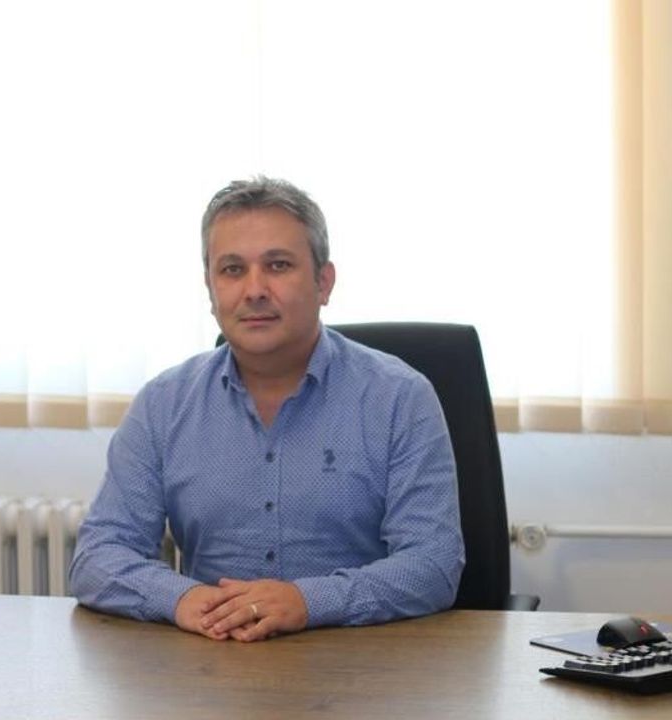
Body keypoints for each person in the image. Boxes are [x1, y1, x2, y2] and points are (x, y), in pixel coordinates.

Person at [69, 176, 464, 642]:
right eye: (232, 270)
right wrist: (182, 598)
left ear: (323, 282)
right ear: (210, 289)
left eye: (278, 265)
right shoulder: (164, 404)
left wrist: (308, 601)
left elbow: (433, 563)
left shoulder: (399, 398)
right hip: (212, 660)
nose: (254, 289)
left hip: (362, 662)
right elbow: (98, 555)